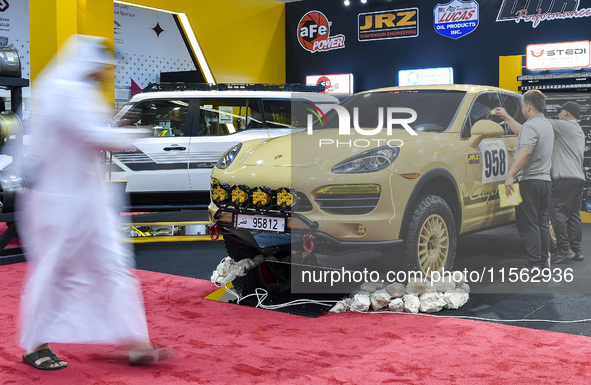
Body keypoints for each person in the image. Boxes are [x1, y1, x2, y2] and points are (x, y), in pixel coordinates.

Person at [17, 35, 172, 371]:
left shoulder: (82, 93)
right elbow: (93, 135)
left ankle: (136, 342)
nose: (105, 72)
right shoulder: (63, 90)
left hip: (89, 202)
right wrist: (145, 131)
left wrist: (126, 131)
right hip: (57, 205)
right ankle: (35, 345)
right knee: (54, 273)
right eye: (102, 65)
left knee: (112, 267)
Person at [494, 90, 554, 270]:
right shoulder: (546, 125)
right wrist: (506, 117)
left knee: (528, 224)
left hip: (530, 181)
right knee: (542, 222)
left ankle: (533, 264)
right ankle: (543, 262)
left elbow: (526, 151)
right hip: (545, 181)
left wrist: (510, 175)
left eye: (523, 107)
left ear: (528, 106)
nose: (522, 110)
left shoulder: (531, 126)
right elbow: (522, 132)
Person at [547, 101, 586, 264]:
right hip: (578, 178)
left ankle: (564, 250)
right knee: (573, 216)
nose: (558, 114)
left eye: (560, 111)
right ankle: (576, 250)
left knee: (557, 214)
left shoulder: (566, 127)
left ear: (567, 114)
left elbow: (539, 122)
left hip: (565, 177)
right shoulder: (578, 130)